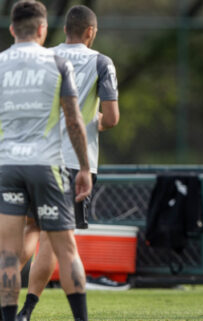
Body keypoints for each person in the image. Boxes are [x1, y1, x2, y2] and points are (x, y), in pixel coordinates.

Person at [16, 5, 120, 321]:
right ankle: (26, 311)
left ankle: (19, 307)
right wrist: (98, 122)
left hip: (36, 157)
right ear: (91, 31)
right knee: (54, 238)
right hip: (74, 162)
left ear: (64, 31)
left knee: (32, 229)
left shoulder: (45, 57)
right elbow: (112, 118)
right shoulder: (101, 61)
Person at [0, 1, 92, 321]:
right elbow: (73, 120)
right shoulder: (57, 62)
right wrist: (83, 167)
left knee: (9, 254)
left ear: (12, 29)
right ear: (42, 30)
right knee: (66, 250)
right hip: (47, 166)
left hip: (7, 166)